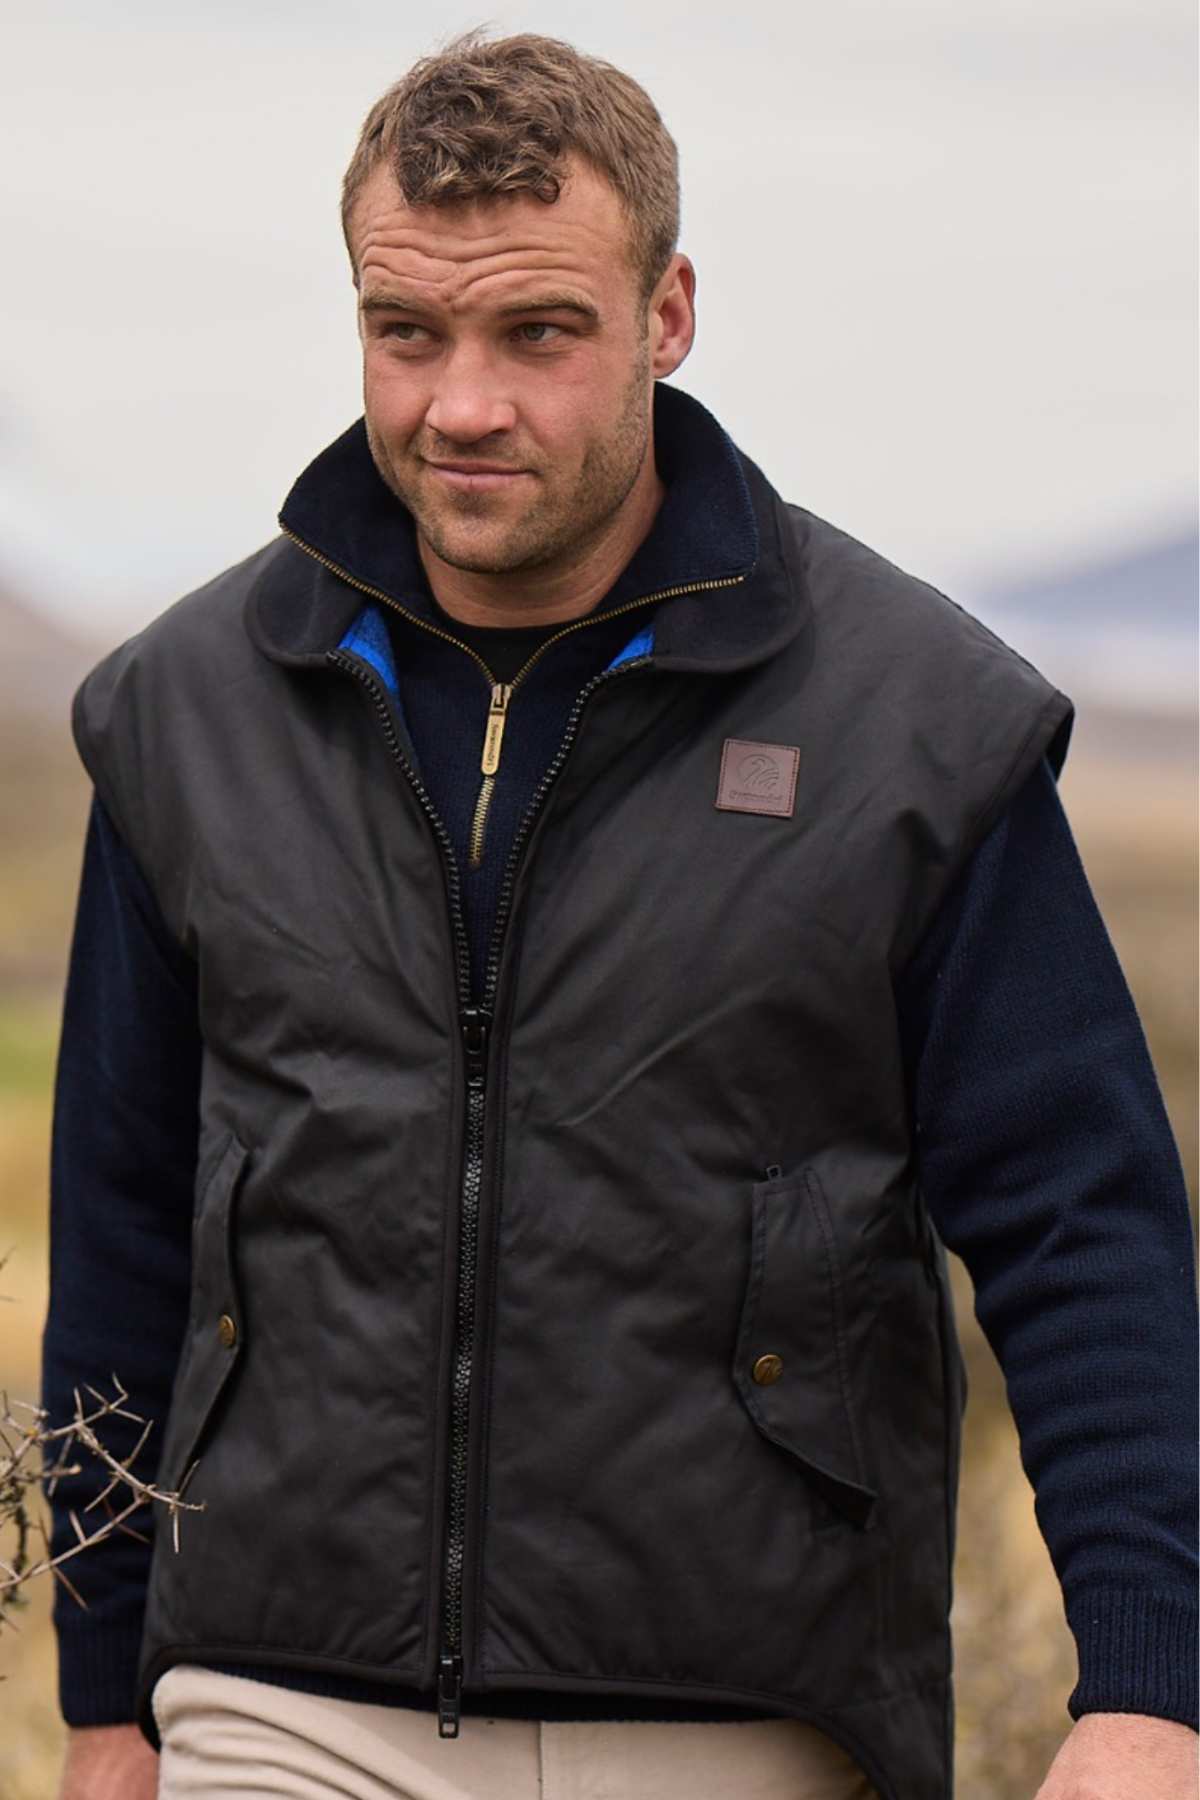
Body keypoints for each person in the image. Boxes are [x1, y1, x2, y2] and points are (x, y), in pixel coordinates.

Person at [43, 30, 1196, 1800]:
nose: (459, 405)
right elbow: (122, 1212)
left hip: (742, 1717)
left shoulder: (918, 728)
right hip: (279, 1702)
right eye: (404, 332)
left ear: (666, 314)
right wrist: (107, 1694)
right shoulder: (184, 712)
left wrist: (1149, 1696)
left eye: (538, 333)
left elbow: (1082, 1225)